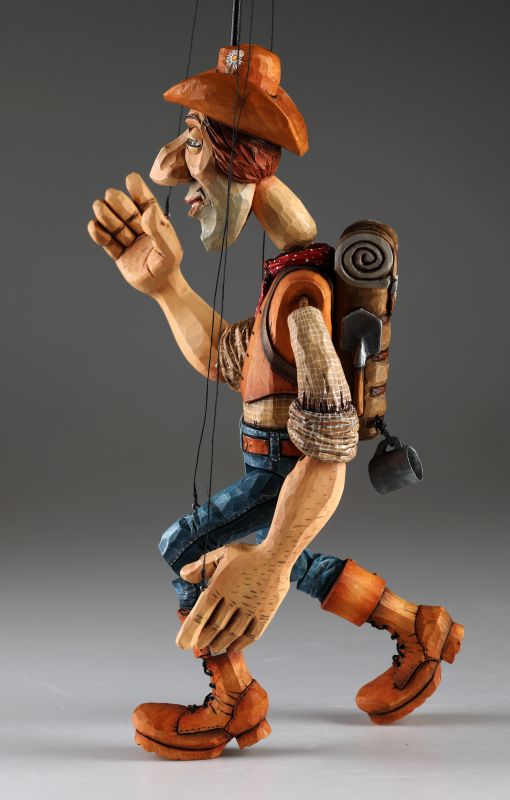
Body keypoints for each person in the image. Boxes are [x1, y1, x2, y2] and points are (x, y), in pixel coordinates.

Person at [88, 43, 463, 761]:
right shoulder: (290, 277)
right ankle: (417, 627)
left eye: (191, 141)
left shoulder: (301, 298)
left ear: (236, 157)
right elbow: (230, 358)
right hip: (275, 469)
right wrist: (167, 286)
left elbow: (332, 441)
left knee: (189, 550)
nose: (169, 169)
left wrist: (270, 561)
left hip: (282, 472)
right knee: (271, 560)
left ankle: (232, 701)